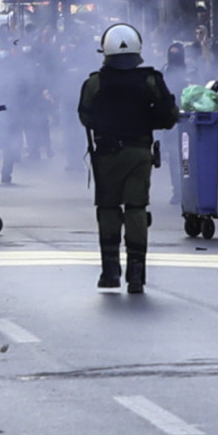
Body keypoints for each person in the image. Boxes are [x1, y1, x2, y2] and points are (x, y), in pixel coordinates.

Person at [77, 24, 179, 293]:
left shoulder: (94, 83)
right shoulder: (150, 80)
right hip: (139, 152)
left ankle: (110, 271)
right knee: (136, 208)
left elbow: (85, 116)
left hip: (107, 155)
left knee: (108, 208)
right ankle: (136, 273)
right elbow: (169, 117)